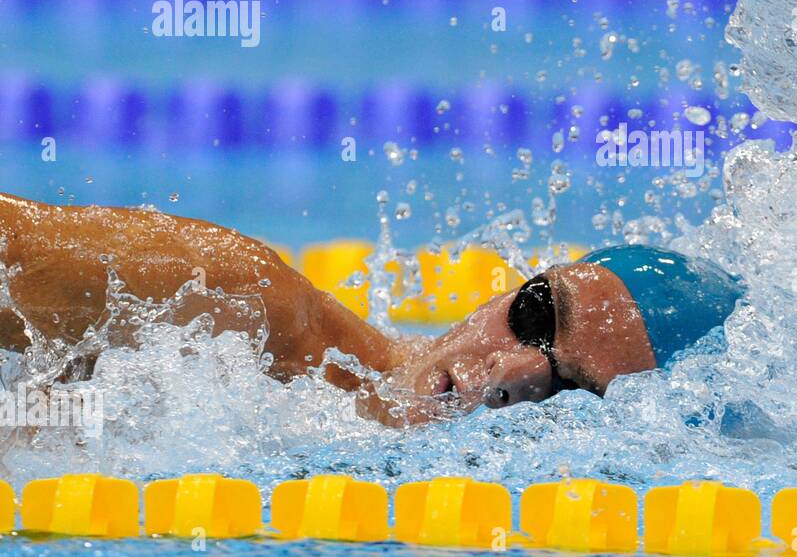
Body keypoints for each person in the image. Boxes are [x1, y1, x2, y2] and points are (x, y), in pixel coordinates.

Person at [0, 193, 743, 425]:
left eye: (576, 389)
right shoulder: (249, 303)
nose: (511, 371)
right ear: (514, 283)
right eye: (539, 314)